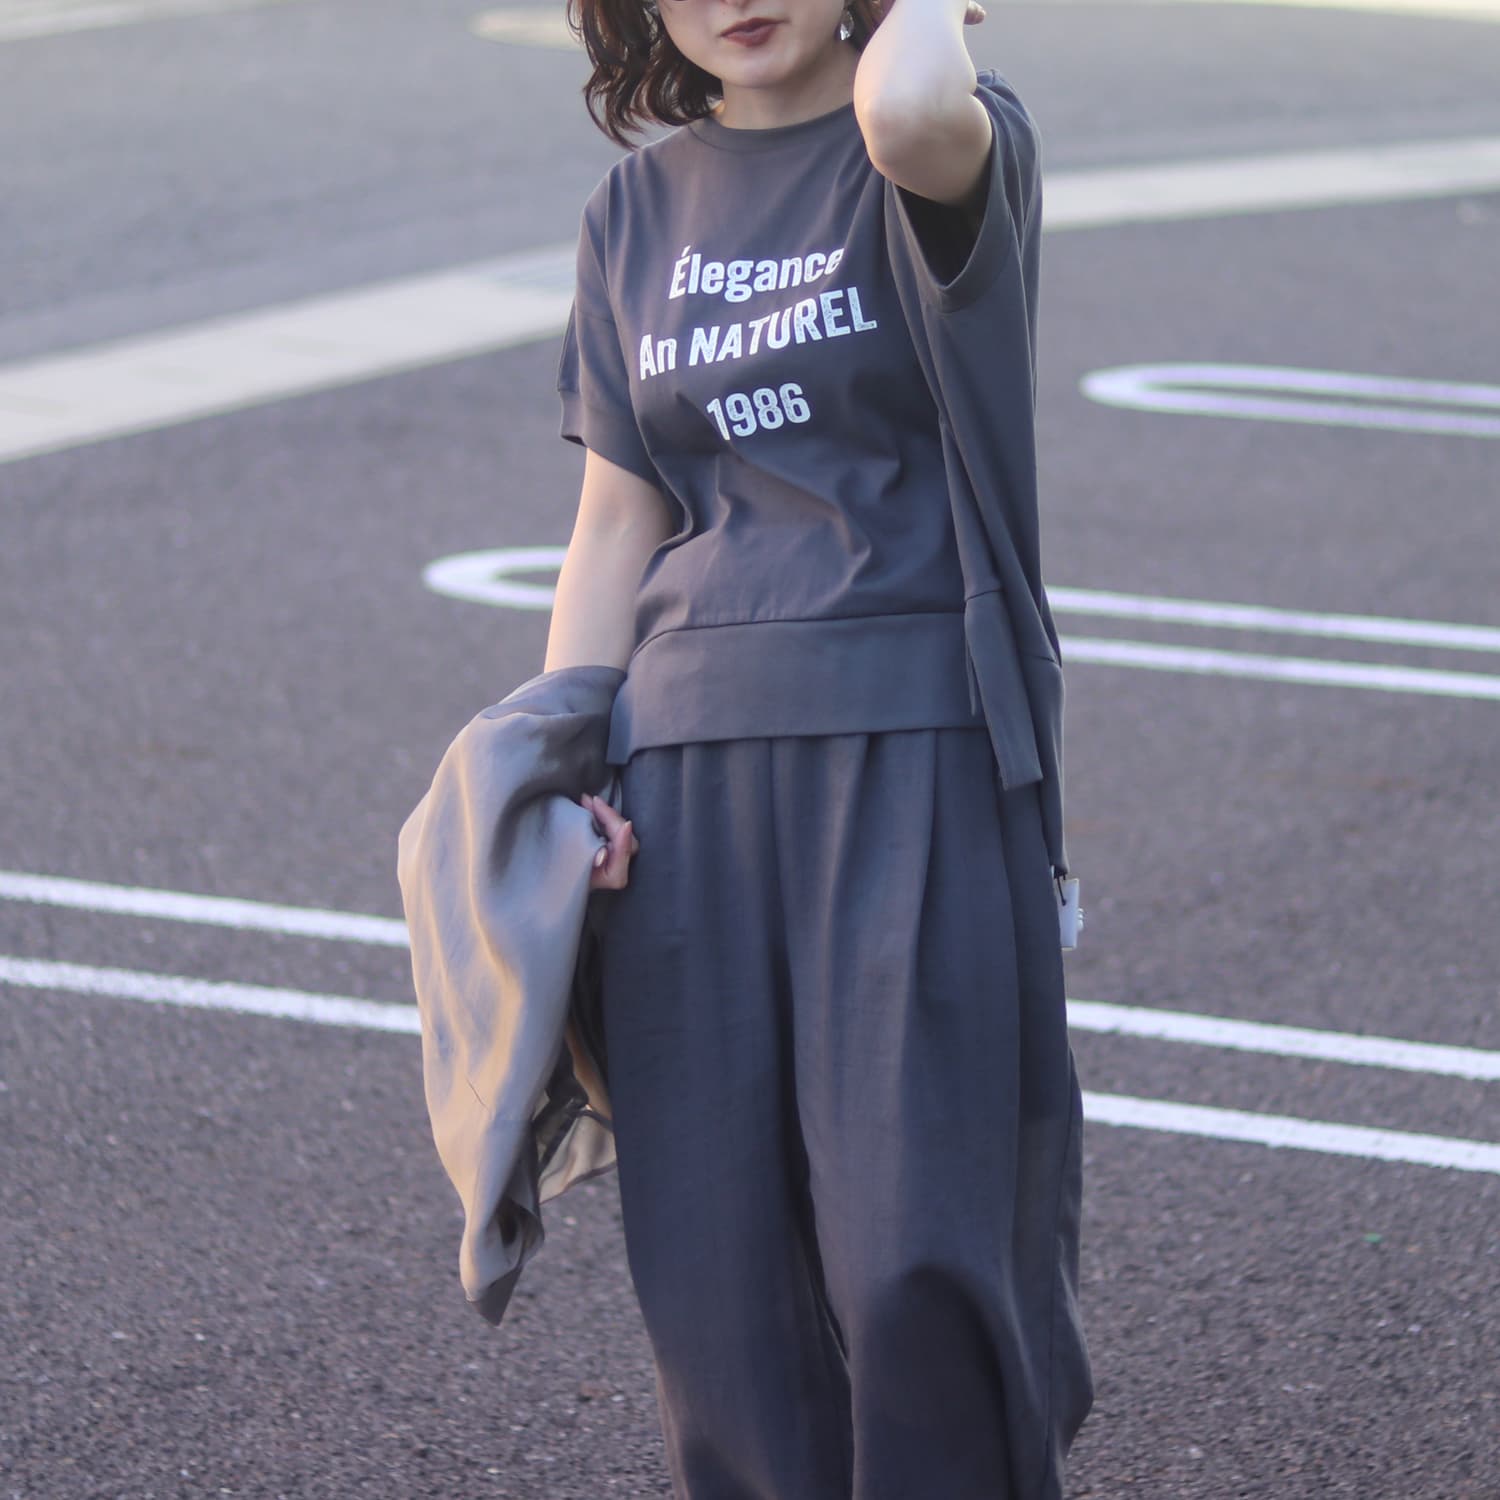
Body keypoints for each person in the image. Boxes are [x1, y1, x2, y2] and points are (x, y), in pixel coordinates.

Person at [543, 0, 1093, 1494]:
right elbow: (616, 525)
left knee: (922, 1249)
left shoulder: (933, 140)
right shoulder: (632, 210)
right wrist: (562, 767)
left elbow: (909, 102)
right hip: (680, 779)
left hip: (915, 741)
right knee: (721, 1283)